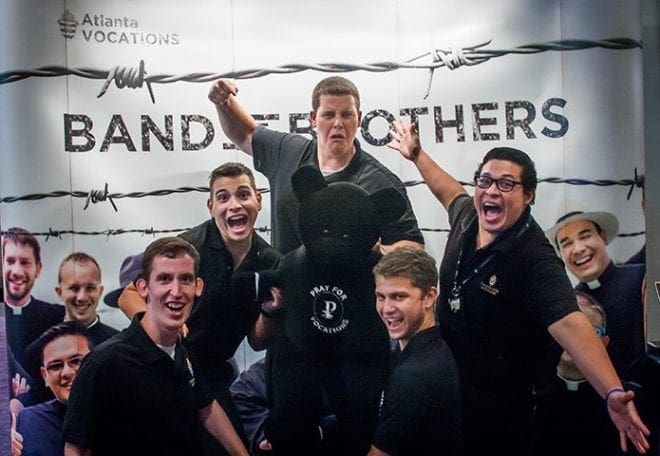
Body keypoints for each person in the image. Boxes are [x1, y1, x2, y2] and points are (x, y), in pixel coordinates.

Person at [388, 119, 650, 455]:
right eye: (485, 181)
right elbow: (449, 191)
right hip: (454, 387)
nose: (492, 190)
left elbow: (571, 323)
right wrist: (417, 154)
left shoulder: (536, 259)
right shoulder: (469, 215)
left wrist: (612, 392)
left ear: (528, 196)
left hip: (505, 409)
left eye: (507, 184)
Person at [117, 162, 281, 452]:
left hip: (213, 374)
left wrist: (271, 311)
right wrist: (159, 324)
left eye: (243, 194)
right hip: (165, 368)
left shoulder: (270, 260)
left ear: (258, 199)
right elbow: (127, 295)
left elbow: (257, 340)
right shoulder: (188, 247)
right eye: (223, 197)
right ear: (210, 206)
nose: (234, 205)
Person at [63, 236, 249, 456]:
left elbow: (206, 406)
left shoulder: (182, 350)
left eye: (186, 279)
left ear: (198, 287)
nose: (176, 291)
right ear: (142, 287)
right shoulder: (103, 363)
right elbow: (75, 447)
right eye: (164, 279)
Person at [208, 76, 425, 254]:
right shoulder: (288, 152)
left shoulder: (379, 180)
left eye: (346, 115)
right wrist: (223, 101)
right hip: (290, 297)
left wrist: (377, 251)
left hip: (352, 301)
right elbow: (244, 133)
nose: (338, 123)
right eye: (329, 115)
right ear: (313, 118)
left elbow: (414, 247)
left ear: (359, 119)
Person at [369, 246, 462, 456]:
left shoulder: (415, 374)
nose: (386, 308)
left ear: (429, 297)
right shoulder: (431, 349)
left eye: (399, 297)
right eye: (381, 297)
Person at [546, 210, 646, 382]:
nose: (578, 249)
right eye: (566, 243)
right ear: (561, 255)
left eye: (585, 236)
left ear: (603, 238)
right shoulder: (568, 307)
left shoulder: (642, 278)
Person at [535, 291, 620, 455]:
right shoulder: (530, 397)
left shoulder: (625, 400)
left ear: (604, 342)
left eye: (590, 331)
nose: (575, 340)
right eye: (567, 331)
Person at [12, 322, 93, 456]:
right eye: (56, 366)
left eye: (76, 361)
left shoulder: (123, 417)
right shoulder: (28, 421)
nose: (66, 372)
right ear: (45, 376)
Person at [2, 228, 64, 379]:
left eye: (25, 263)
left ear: (38, 268)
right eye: (10, 261)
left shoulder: (56, 316)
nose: (17, 271)